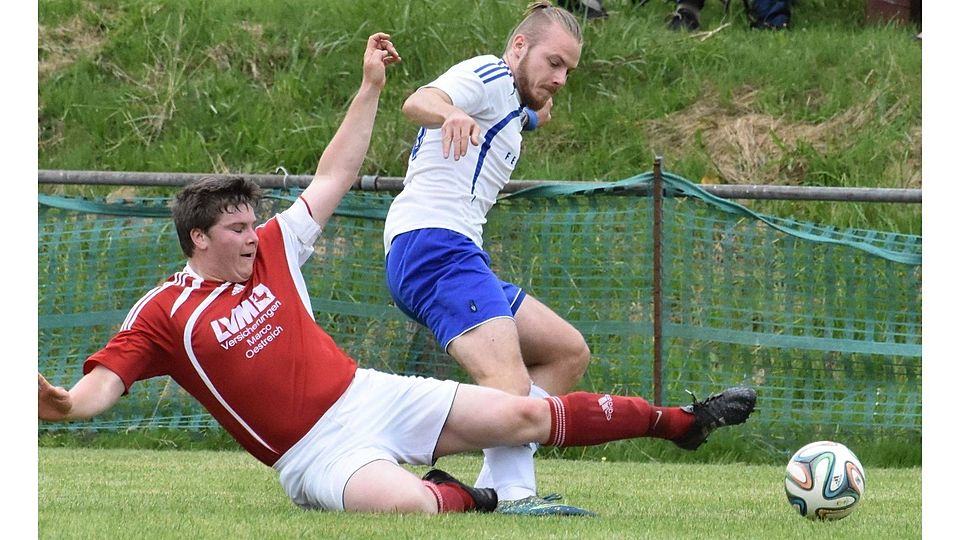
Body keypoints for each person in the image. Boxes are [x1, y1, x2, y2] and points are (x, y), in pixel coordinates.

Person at [37, 31, 759, 516]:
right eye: (236, 230)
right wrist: (64, 406)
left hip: (370, 394)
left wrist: (369, 86)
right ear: (199, 239)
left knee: (527, 407)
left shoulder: (276, 245)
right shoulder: (164, 312)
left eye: (252, 223)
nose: (253, 236)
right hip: (312, 453)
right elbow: (100, 387)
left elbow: (335, 174)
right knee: (412, 506)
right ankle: (487, 498)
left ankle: (680, 422)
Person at [382, 1, 595, 515]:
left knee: (567, 353)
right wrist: (450, 111)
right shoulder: (489, 73)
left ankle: (495, 481)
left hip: (451, 251)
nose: (560, 78)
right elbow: (419, 100)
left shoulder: (511, 102)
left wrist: (535, 114)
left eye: (568, 70)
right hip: (434, 245)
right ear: (519, 46)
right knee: (509, 383)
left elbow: (518, 115)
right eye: (553, 62)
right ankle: (516, 496)